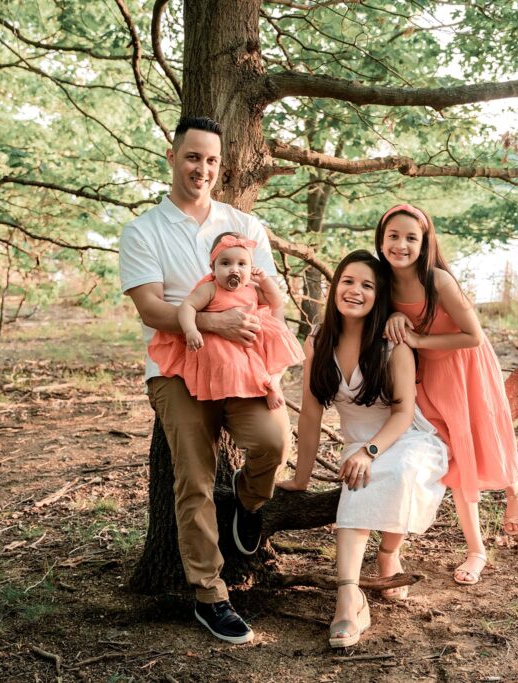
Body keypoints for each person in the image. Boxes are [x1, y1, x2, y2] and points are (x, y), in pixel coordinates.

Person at [119, 116, 291, 644]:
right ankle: (209, 594)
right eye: (193, 157)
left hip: (242, 366)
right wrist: (210, 321)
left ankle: (245, 502)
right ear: (172, 158)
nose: (203, 168)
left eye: (212, 160)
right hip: (177, 369)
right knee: (193, 477)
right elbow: (151, 308)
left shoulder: (245, 224)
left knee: (273, 443)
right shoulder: (143, 230)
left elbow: (269, 300)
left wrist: (273, 368)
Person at [278, 250, 447, 648]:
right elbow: (310, 415)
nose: (355, 291)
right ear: (335, 286)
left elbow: (404, 413)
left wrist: (369, 451)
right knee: (358, 485)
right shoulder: (318, 341)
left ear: (379, 295)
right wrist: (301, 478)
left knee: (400, 470)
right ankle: (348, 599)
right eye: (348, 281)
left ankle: (388, 551)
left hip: (405, 437)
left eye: (367, 285)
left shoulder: (392, 343)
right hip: (358, 443)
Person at [376, 203, 518, 586]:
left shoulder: (438, 280)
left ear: (425, 243)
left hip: (465, 368)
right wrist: (394, 318)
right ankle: (478, 549)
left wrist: (417, 337)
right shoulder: (381, 282)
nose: (401, 245)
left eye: (411, 238)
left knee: (484, 442)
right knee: (456, 457)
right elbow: (383, 324)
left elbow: (472, 335)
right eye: (393, 236)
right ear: (380, 239)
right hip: (427, 377)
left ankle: (516, 485)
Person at [148, 231, 304, 410]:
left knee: (279, 346)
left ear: (251, 268)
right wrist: (191, 330)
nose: (234, 269)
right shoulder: (210, 289)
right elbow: (187, 306)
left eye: (242, 264)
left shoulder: (251, 289)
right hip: (224, 342)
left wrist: (265, 281)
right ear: (213, 268)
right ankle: (237, 393)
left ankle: (273, 382)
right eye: (225, 263)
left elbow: (275, 301)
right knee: (231, 362)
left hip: (253, 338)